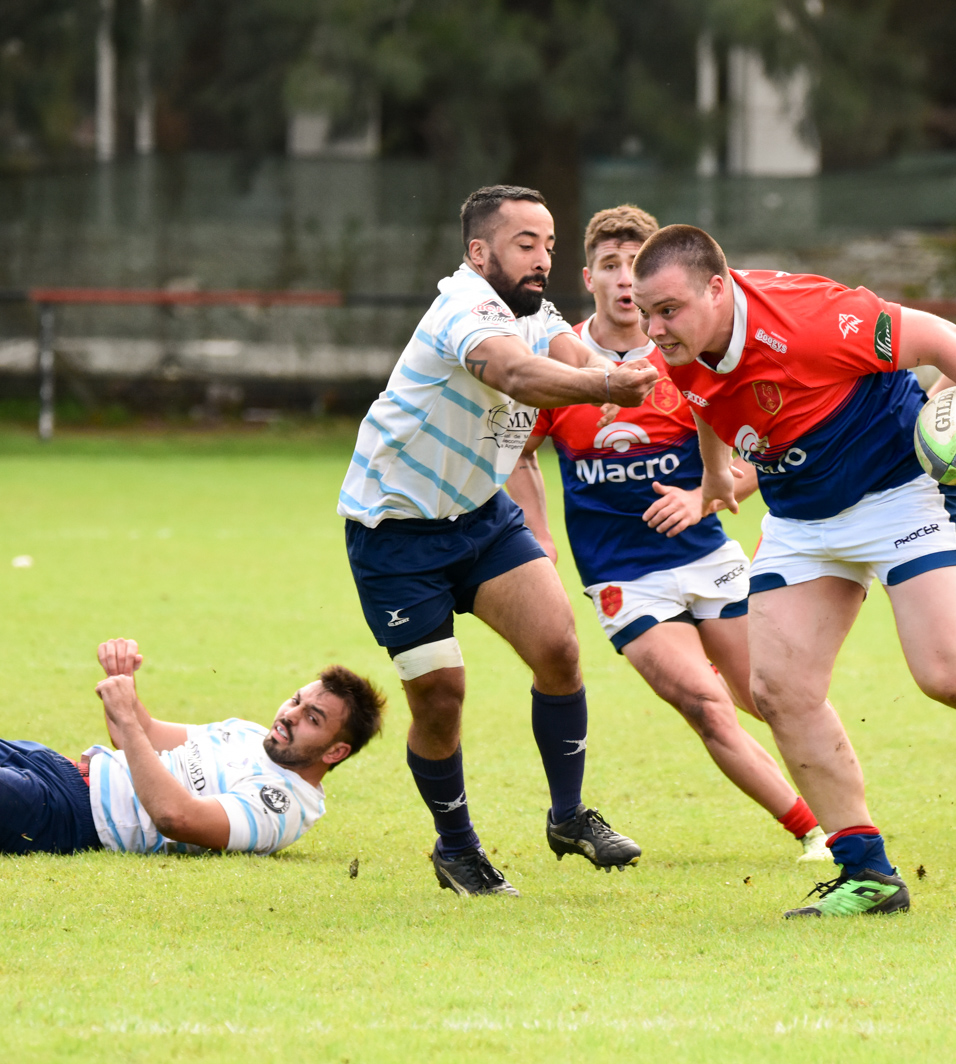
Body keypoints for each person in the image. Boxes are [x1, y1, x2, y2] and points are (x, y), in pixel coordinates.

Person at [632, 223, 956, 918]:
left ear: (718, 288)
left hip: (902, 492)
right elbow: (708, 399)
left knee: (952, 675)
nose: (654, 328)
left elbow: (938, 339)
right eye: (646, 312)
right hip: (802, 519)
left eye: (667, 310)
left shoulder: (807, 316)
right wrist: (717, 474)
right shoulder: (685, 340)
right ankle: (867, 872)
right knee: (777, 689)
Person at [338, 184, 660, 896]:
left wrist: (625, 362)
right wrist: (604, 380)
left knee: (559, 647)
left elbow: (567, 347)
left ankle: (569, 814)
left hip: (481, 518)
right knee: (442, 695)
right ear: (479, 251)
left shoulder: (530, 311)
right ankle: (457, 849)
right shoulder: (466, 309)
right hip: (396, 536)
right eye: (526, 244)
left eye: (548, 244)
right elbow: (515, 373)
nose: (543, 258)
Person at [506, 204, 832, 862]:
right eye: (610, 266)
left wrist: (704, 497)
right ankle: (814, 832)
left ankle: (847, 814)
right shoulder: (561, 367)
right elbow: (518, 451)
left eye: (635, 265)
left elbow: (756, 457)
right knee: (705, 701)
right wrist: (539, 537)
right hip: (625, 578)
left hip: (708, 557)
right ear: (588, 276)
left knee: (769, 697)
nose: (625, 279)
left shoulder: (688, 356)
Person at [1, 639, 383, 856]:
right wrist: (123, 679)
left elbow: (176, 818)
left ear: (335, 752)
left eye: (312, 718)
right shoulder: (249, 733)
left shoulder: (282, 805)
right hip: (57, 767)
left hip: (72, 815)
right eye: (296, 700)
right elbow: (143, 736)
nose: (290, 714)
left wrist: (128, 720)